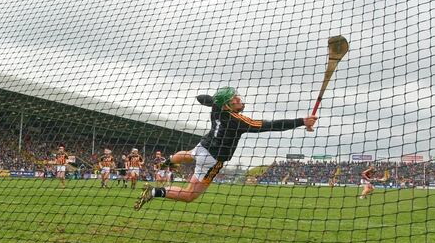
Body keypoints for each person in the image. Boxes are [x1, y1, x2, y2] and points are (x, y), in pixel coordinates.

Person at [135, 87, 317, 209]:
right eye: (234, 99)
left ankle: (169, 162)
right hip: (213, 159)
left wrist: (215, 100)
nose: (239, 100)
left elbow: (201, 98)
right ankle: (154, 192)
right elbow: (270, 125)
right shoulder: (237, 120)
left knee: (189, 155)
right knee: (190, 195)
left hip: (203, 146)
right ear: (227, 105)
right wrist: (302, 121)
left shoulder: (216, 108)